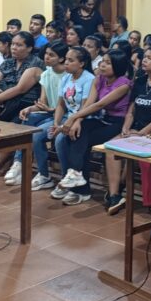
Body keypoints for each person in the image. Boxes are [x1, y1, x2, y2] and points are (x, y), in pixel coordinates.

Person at [53, 49, 133, 205]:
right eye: (102, 61)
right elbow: (89, 102)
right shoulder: (98, 79)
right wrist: (77, 120)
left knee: (82, 137)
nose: (102, 65)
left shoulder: (124, 84)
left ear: (118, 65)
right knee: (76, 132)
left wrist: (74, 117)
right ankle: (76, 176)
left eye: (108, 63)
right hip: (101, 119)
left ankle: (77, 178)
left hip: (117, 123)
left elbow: (100, 104)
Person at [102, 44, 151, 214]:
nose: (144, 61)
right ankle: (115, 195)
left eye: (150, 58)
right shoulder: (140, 81)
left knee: (142, 158)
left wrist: (143, 133)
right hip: (134, 129)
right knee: (111, 148)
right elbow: (132, 108)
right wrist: (127, 128)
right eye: (144, 57)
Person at [4, 40, 69, 189]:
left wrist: (49, 110)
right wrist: (30, 109)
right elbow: (43, 102)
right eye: (46, 54)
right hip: (50, 112)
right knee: (28, 117)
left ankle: (43, 174)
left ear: (61, 58)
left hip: (63, 115)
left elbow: (64, 106)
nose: (46, 57)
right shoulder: (46, 74)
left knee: (36, 135)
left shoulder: (67, 75)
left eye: (51, 55)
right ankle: (18, 163)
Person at [46, 47, 97, 199]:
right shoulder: (66, 78)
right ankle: (63, 178)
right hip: (67, 118)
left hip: (84, 119)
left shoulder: (88, 79)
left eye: (71, 60)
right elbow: (61, 104)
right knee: (41, 134)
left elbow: (85, 107)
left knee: (62, 139)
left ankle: (67, 180)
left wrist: (66, 125)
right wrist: (56, 123)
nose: (66, 63)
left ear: (81, 63)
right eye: (66, 59)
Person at [0, 31, 44, 123]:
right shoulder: (8, 62)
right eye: (13, 44)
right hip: (3, 101)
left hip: (23, 104)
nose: (14, 48)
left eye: (19, 45)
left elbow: (20, 89)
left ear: (29, 48)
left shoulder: (35, 64)